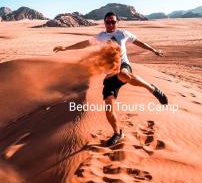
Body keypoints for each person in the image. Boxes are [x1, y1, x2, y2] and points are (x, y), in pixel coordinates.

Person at [53, 12, 168, 146]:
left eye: (113, 22)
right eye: (108, 22)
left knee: (124, 75)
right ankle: (118, 133)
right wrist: (66, 48)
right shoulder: (101, 37)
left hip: (123, 66)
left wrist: (153, 50)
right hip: (109, 75)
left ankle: (153, 89)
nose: (111, 24)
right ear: (104, 23)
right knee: (108, 107)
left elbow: (139, 42)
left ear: (117, 22)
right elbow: (84, 43)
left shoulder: (123, 34)